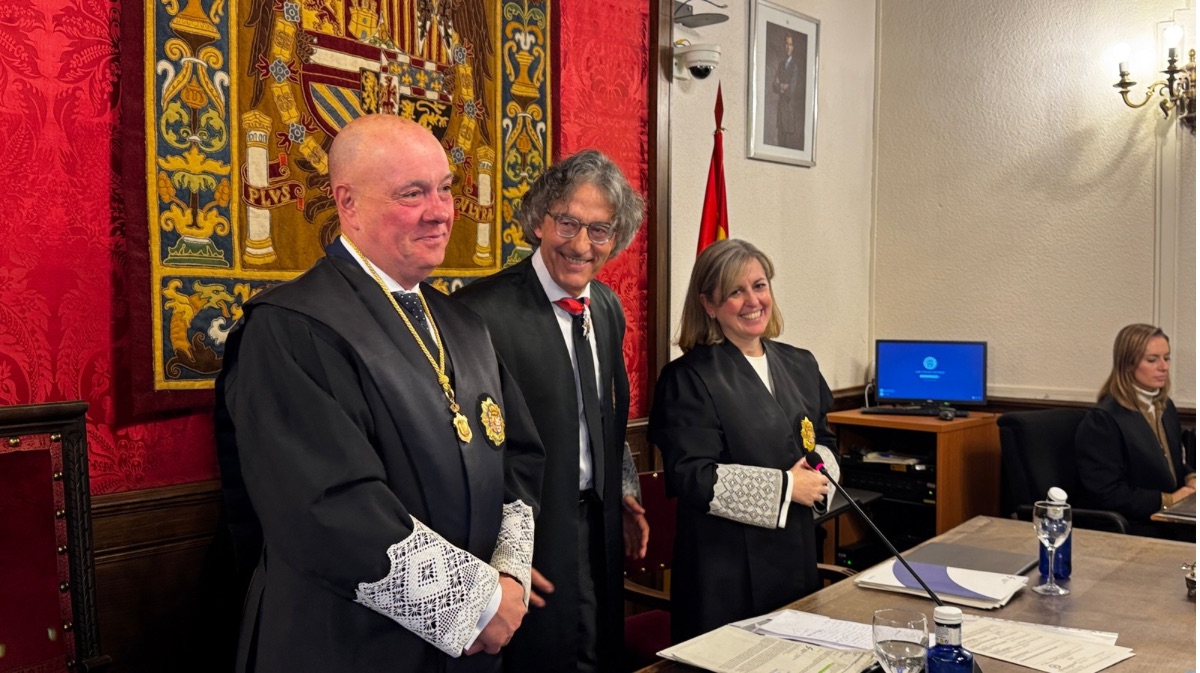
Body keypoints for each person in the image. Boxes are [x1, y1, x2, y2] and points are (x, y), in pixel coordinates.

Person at [214, 114, 545, 673]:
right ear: (348, 203)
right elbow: (328, 508)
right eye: (411, 193)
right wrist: (479, 603)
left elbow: (518, 456)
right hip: (348, 643)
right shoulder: (292, 327)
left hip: (470, 647)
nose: (439, 211)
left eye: (444, 189)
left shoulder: (464, 326)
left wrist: (508, 576)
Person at [454, 149, 649, 672]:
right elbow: (467, 448)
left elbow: (606, 416)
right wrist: (499, 553)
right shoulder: (478, 313)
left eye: (600, 230)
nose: (582, 245)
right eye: (568, 223)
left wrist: (623, 491)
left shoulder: (606, 307)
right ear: (540, 220)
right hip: (523, 537)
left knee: (597, 651)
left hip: (597, 523)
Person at [647, 238, 839, 643]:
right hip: (723, 573)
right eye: (735, 291)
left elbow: (823, 436)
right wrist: (788, 488)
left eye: (759, 285)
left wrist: (818, 475)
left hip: (797, 556)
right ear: (709, 304)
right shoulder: (687, 378)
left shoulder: (800, 363)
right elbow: (691, 476)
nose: (753, 300)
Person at [1076, 323, 1195, 538]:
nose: (1164, 367)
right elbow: (1107, 493)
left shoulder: (1165, 406)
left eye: (1166, 358)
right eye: (1152, 360)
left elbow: (1174, 463)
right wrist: (1171, 500)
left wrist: (1190, 478)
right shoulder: (1102, 419)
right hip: (1139, 525)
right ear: (1128, 364)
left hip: (1172, 518)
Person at [771, 33, 801, 148]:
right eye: (786, 44)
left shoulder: (795, 67)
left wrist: (781, 86)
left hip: (789, 110)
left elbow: (791, 89)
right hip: (781, 111)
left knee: (787, 145)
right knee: (780, 141)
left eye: (790, 44)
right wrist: (784, 86)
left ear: (793, 47)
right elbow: (774, 85)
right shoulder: (780, 65)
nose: (788, 47)